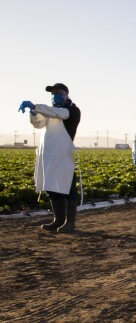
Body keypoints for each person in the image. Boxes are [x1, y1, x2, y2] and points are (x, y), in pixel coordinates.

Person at [18, 83, 82, 233]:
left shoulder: (72, 110)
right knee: (52, 188)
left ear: (66, 95)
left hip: (63, 155)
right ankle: (58, 219)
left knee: (68, 188)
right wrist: (33, 112)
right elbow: (39, 123)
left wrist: (36, 106)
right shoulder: (50, 111)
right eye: (53, 94)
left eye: (58, 93)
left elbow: (59, 114)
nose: (55, 96)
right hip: (48, 155)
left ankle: (70, 223)